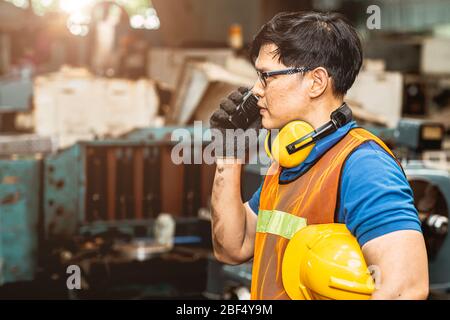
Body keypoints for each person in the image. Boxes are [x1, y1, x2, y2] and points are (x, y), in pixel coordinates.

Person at [209, 11, 429, 300]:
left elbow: (406, 289)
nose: (256, 90)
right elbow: (231, 247)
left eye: (266, 77)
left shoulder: (363, 164)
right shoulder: (290, 160)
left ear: (316, 82)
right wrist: (229, 152)